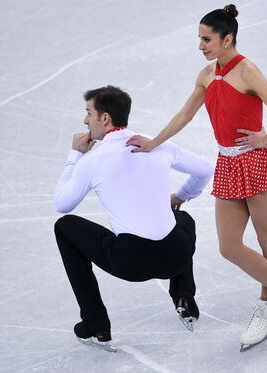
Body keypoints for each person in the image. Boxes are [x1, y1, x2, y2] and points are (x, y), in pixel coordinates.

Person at [126, 5, 267, 350]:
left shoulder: (247, 71)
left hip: (257, 162)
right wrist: (154, 143)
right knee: (229, 246)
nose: (201, 45)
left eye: (207, 39)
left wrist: (264, 140)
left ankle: (266, 307)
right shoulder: (207, 74)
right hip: (228, 163)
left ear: (227, 39)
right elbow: (185, 114)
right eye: (200, 39)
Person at [53, 85, 214, 352]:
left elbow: (63, 204)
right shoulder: (157, 144)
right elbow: (205, 169)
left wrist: (75, 155)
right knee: (183, 220)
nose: (85, 120)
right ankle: (184, 296)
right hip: (176, 258)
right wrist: (180, 196)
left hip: (131, 263)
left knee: (65, 227)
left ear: (105, 118)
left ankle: (96, 324)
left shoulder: (93, 160)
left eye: (88, 113)